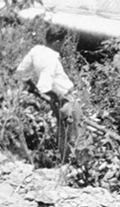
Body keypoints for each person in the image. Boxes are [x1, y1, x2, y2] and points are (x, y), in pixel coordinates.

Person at [16, 25, 79, 162]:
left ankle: (65, 164)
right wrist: (56, 95)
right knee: (76, 136)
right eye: (63, 42)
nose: (63, 45)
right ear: (57, 42)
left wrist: (32, 86)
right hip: (66, 99)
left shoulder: (37, 50)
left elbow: (21, 71)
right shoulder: (51, 59)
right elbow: (44, 86)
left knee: (63, 134)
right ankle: (76, 167)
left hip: (57, 100)